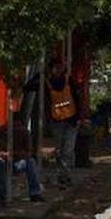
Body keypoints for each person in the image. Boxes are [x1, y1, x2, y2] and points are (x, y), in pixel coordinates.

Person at [46, 59, 84, 188]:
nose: (58, 70)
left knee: (68, 148)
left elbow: (78, 98)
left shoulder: (69, 81)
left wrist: (79, 117)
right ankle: (61, 174)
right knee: (59, 149)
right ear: (51, 69)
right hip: (56, 121)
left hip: (71, 120)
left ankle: (65, 176)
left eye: (60, 67)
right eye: (55, 67)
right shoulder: (47, 83)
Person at [0, 120, 44, 205]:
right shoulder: (0, 132)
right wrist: (1, 154)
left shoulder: (24, 132)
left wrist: (13, 154)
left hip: (17, 161)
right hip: (3, 161)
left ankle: (35, 193)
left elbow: (28, 152)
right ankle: (1, 196)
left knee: (30, 162)